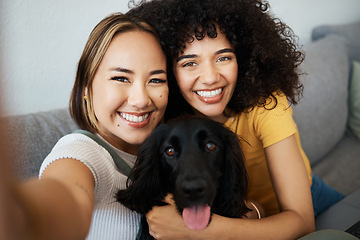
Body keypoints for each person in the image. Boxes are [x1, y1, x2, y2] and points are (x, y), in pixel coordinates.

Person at [127, 0, 345, 239]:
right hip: (237, 216)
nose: (210, 77)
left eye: (223, 58)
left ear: (243, 58)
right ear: (169, 69)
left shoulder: (267, 107)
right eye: (189, 63)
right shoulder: (168, 124)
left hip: (312, 204)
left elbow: (302, 223)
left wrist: (201, 232)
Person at [1, 12, 168, 239]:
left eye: (156, 80)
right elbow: (67, 194)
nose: (141, 100)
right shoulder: (82, 152)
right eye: (121, 78)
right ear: (87, 88)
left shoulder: (167, 154)